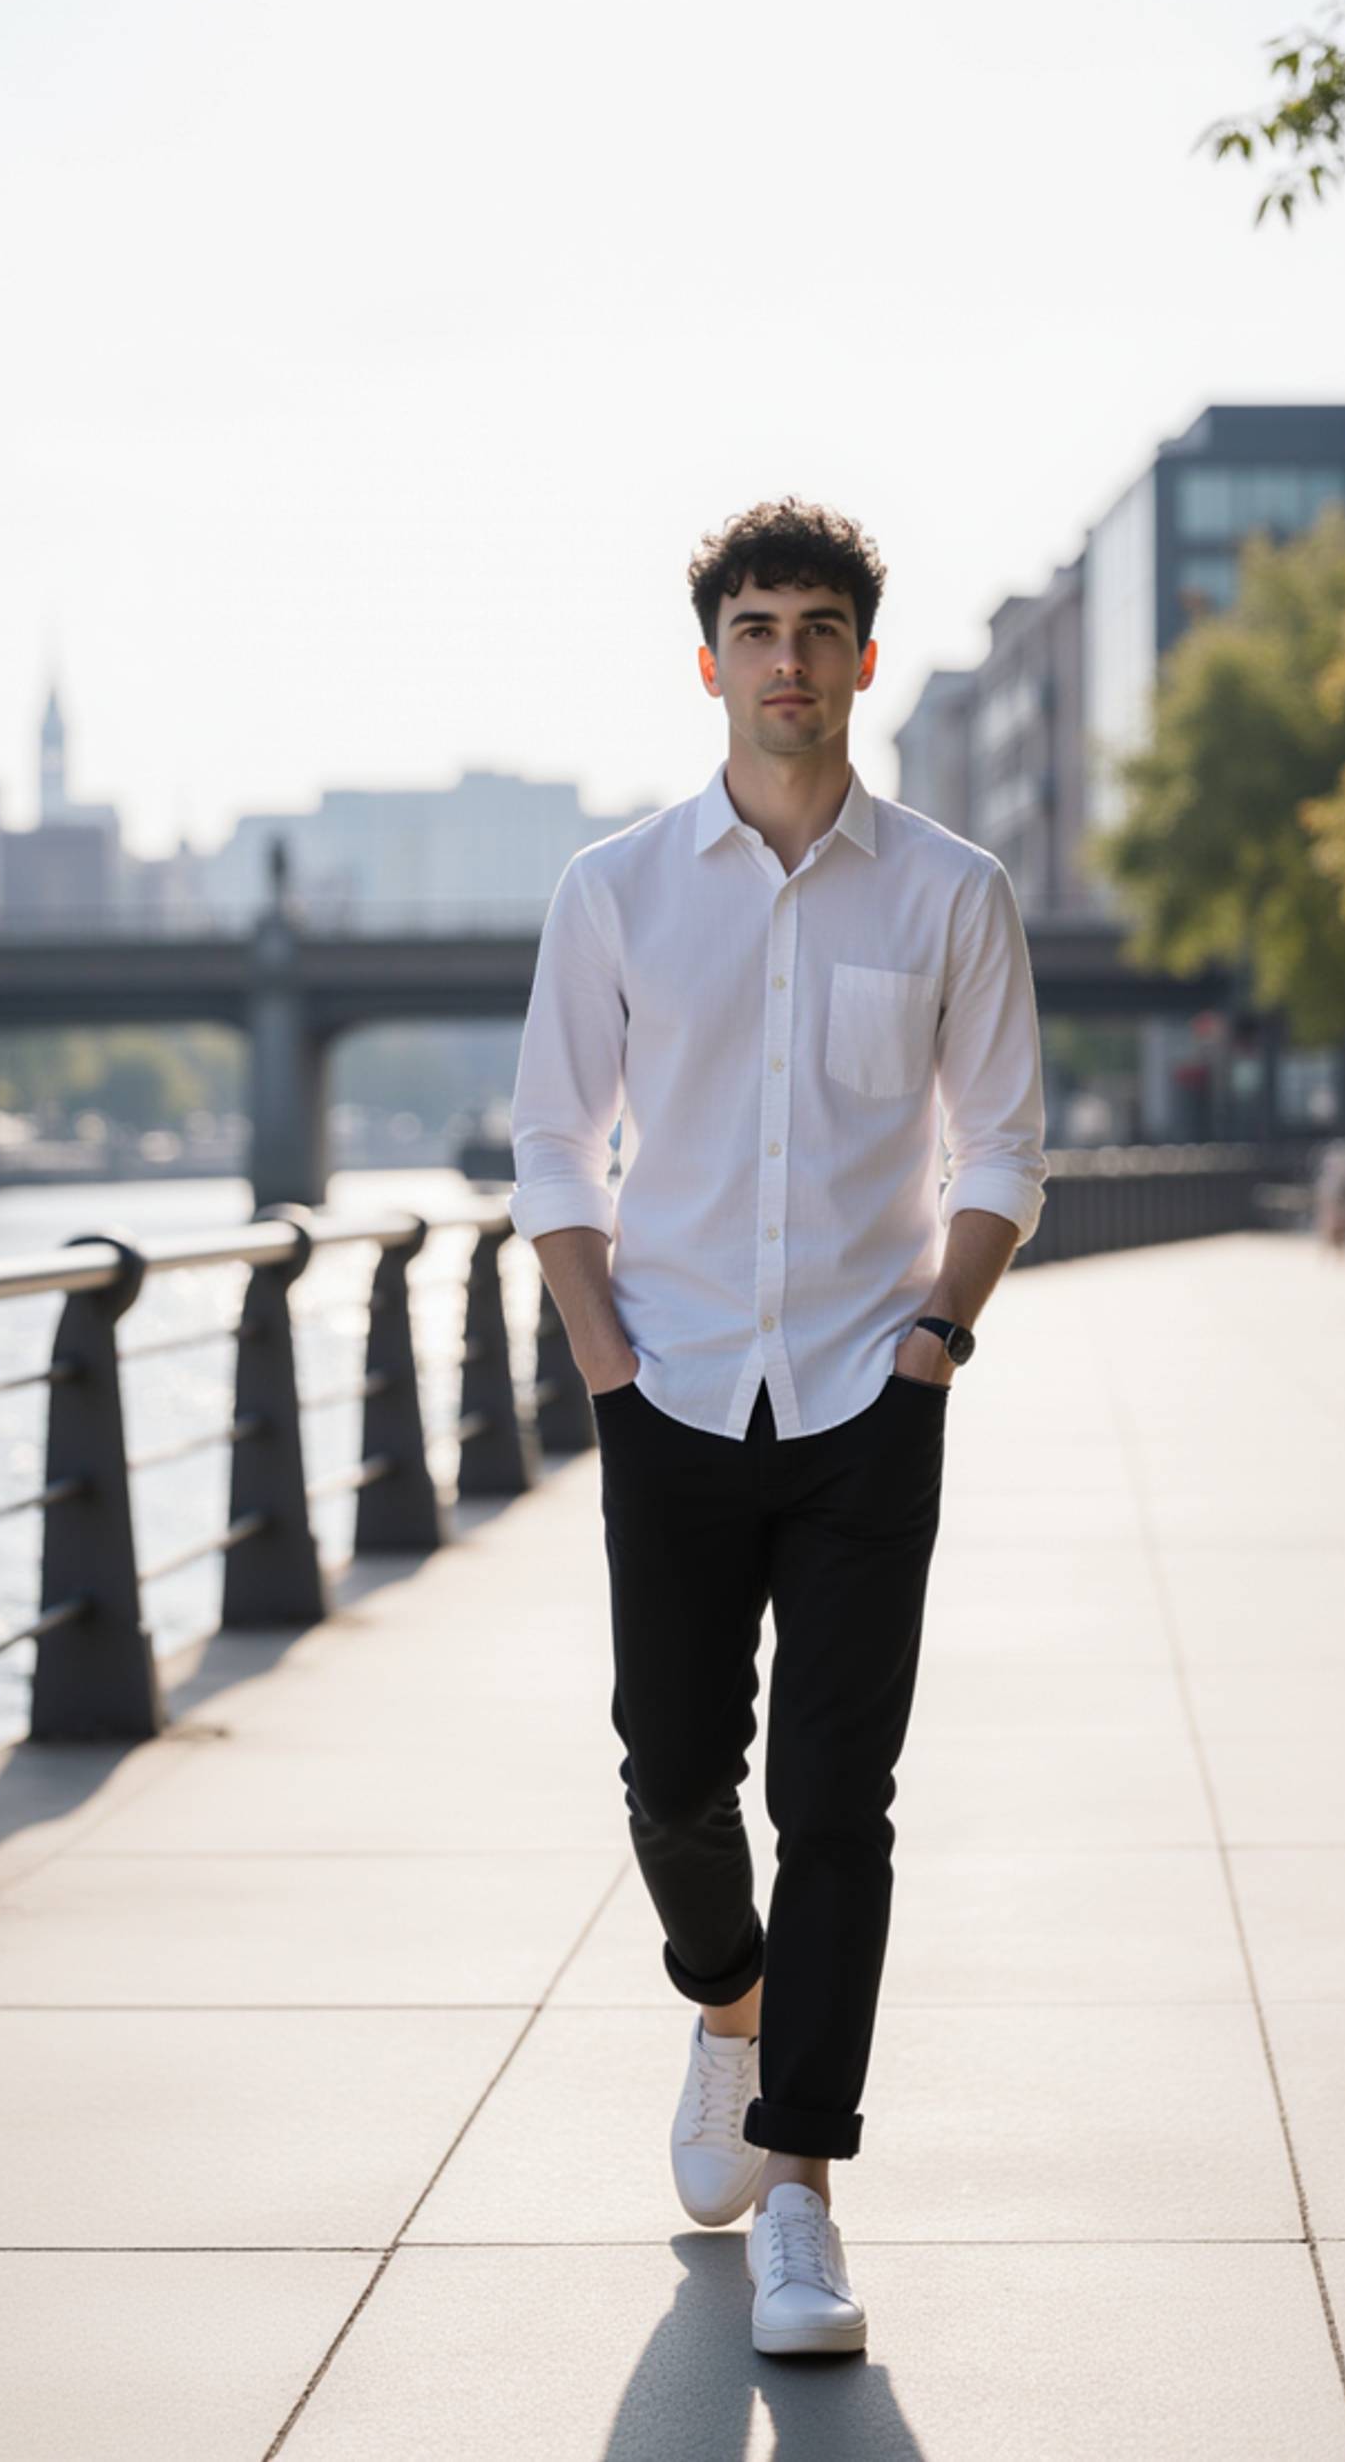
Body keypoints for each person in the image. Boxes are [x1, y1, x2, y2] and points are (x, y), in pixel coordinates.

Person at [507, 496, 1047, 2360]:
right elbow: (552, 1142)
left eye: (823, 628)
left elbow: (1007, 1149)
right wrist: (601, 1361)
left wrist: (936, 1337)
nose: (792, 660)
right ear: (713, 657)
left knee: (840, 1801)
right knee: (670, 1770)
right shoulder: (615, 889)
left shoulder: (954, 892)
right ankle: (727, 2010)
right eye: (760, 627)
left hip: (864, 1397)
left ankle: (805, 2187)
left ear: (864, 659)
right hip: (666, 1388)